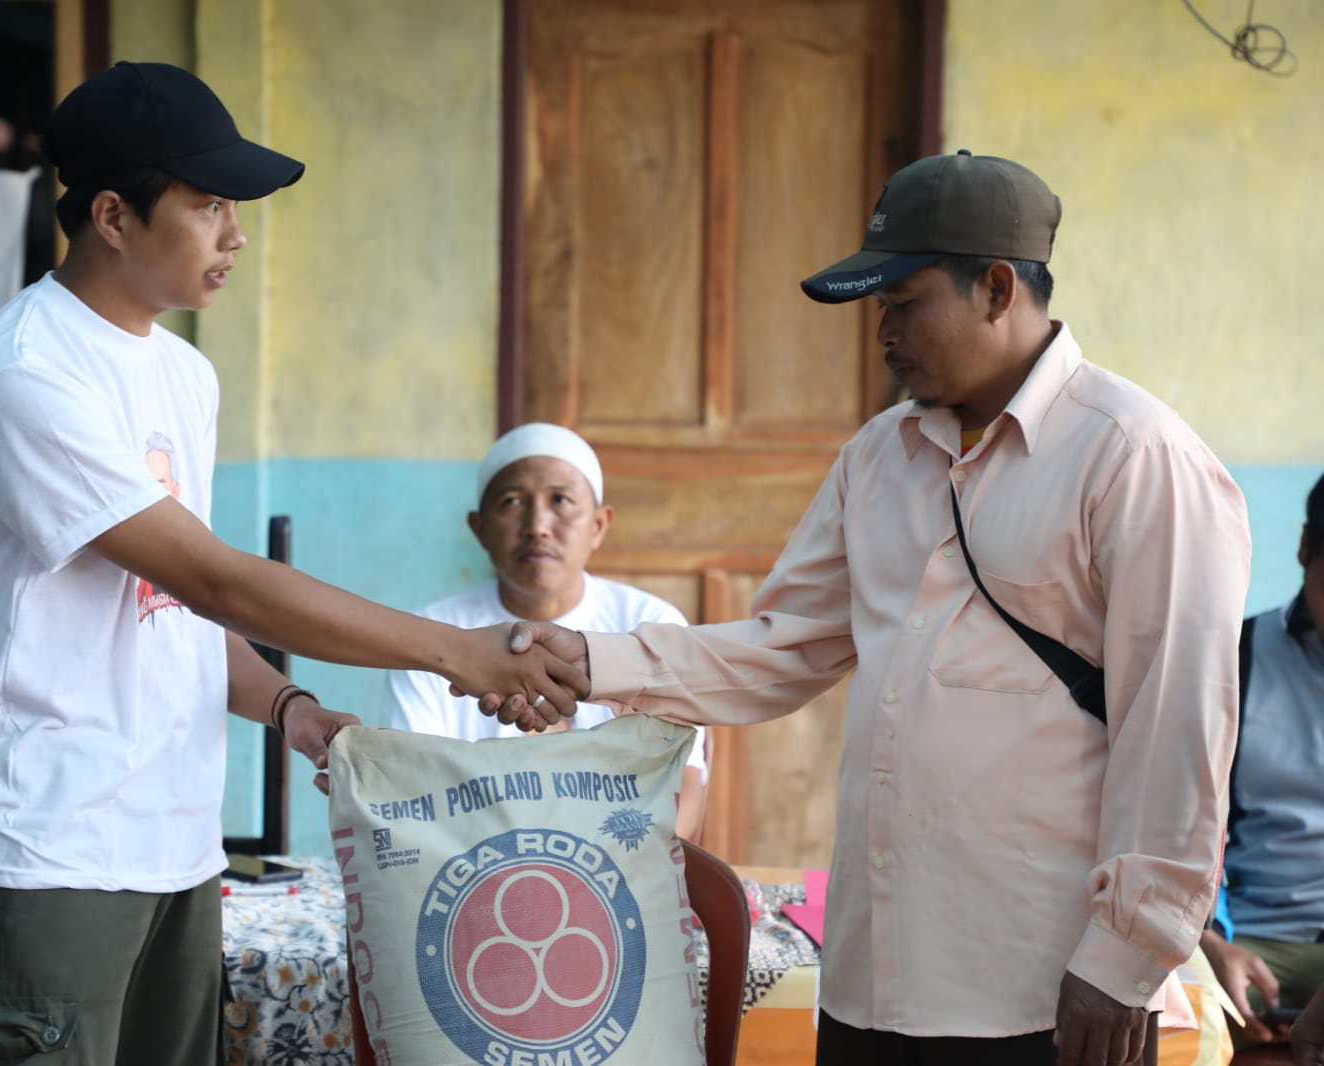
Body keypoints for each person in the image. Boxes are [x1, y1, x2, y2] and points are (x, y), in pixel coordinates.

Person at [495, 151, 1251, 1066]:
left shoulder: (1135, 459)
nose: (882, 332)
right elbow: (784, 648)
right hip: (873, 974)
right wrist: (589, 663)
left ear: (998, 289)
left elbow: (1178, 723)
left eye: (904, 303)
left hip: (1043, 985)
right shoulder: (879, 456)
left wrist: (1128, 953)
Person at [0, 62, 584, 1066]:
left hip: (172, 839)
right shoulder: (26, 377)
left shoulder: (181, 373)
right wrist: (463, 654)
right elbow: (217, 577)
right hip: (53, 843)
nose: (234, 234)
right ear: (111, 214)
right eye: (208, 204)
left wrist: (290, 709)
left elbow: (167, 602)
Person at [386, 423, 710, 840]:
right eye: (512, 502)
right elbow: (415, 790)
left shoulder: (651, 624)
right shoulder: (431, 638)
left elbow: (682, 782)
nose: (537, 525)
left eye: (561, 500)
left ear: (598, 525)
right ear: (479, 528)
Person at [1200, 471, 1324, 1050]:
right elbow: (1185, 826)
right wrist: (1210, 940)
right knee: (1172, 997)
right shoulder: (1234, 659)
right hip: (1253, 938)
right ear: (1305, 548)